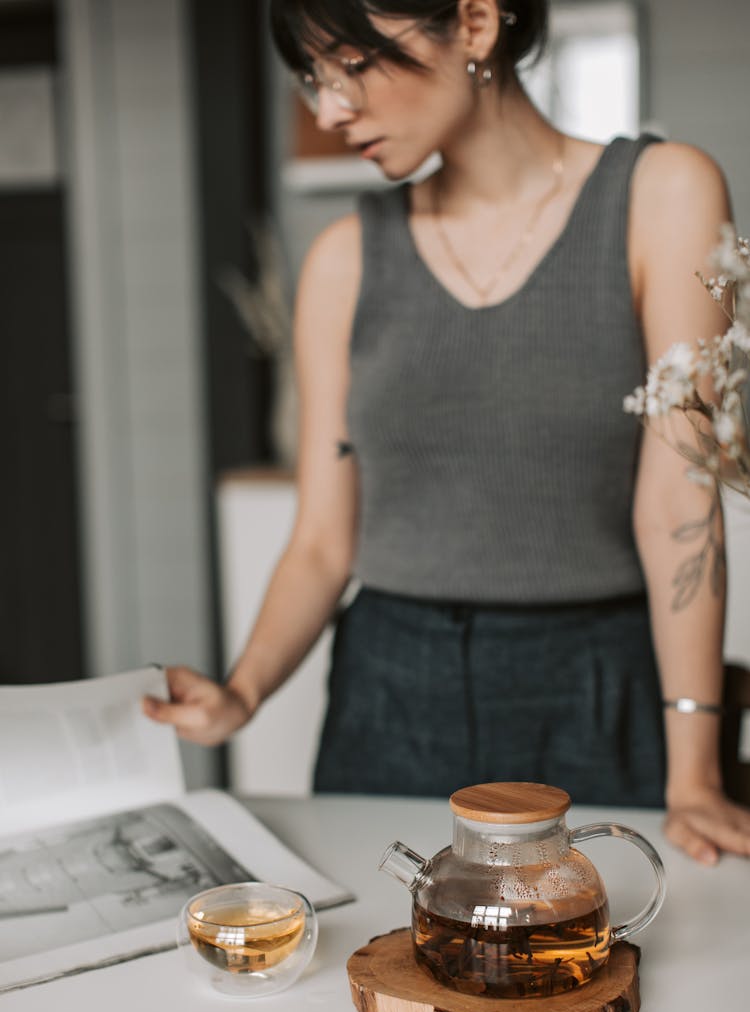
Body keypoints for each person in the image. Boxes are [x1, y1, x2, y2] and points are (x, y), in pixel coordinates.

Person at [143, 0, 750, 866]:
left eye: (350, 62)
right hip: (388, 695)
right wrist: (242, 691)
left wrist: (694, 773)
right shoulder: (344, 262)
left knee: (596, 973)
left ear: (473, 21)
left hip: (596, 685)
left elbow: (679, 503)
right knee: (371, 981)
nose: (328, 109)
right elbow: (322, 541)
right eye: (312, 79)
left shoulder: (663, 193)